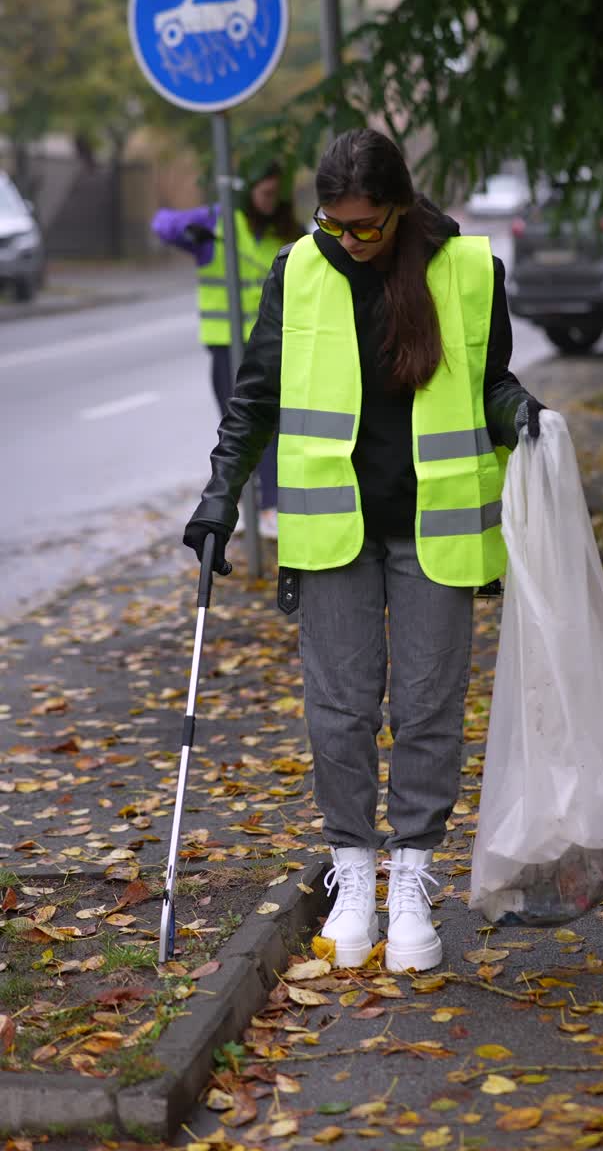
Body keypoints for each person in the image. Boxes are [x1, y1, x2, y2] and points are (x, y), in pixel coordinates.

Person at [183, 128, 544, 972]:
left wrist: (522, 412)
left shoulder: (467, 270)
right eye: (334, 224)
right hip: (332, 527)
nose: (349, 241)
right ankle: (354, 873)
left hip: (436, 526)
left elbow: (490, 381)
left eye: (366, 227)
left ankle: (412, 876)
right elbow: (255, 398)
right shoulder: (299, 271)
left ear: (400, 206)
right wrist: (218, 497)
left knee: (426, 709)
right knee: (339, 711)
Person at [152, 162, 303, 539]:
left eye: (275, 194)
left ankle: (270, 507)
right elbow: (162, 224)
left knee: (271, 426)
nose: (270, 201)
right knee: (238, 429)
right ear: (249, 191)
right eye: (264, 193)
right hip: (226, 346)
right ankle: (241, 505)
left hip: (273, 345)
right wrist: (190, 230)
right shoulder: (218, 224)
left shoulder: (286, 232)